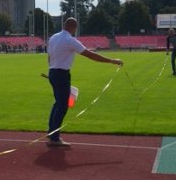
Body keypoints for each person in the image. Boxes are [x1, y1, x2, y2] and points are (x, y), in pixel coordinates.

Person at [45, 17, 123, 147]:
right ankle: (54, 137)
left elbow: (49, 56)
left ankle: (51, 131)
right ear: (74, 28)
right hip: (61, 73)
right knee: (62, 106)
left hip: (53, 71)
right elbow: (90, 55)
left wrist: (53, 69)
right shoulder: (70, 40)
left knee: (58, 103)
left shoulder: (54, 37)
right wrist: (112, 60)